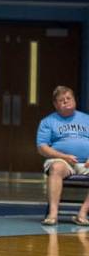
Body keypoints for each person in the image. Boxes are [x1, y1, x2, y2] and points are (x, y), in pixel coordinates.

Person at [37, 85, 89, 225]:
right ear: (55, 104)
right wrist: (64, 156)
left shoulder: (86, 119)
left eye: (68, 98)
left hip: (86, 163)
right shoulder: (48, 122)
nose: (66, 101)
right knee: (56, 167)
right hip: (62, 161)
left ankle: (83, 214)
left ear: (74, 100)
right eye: (62, 100)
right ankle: (53, 215)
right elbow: (42, 148)